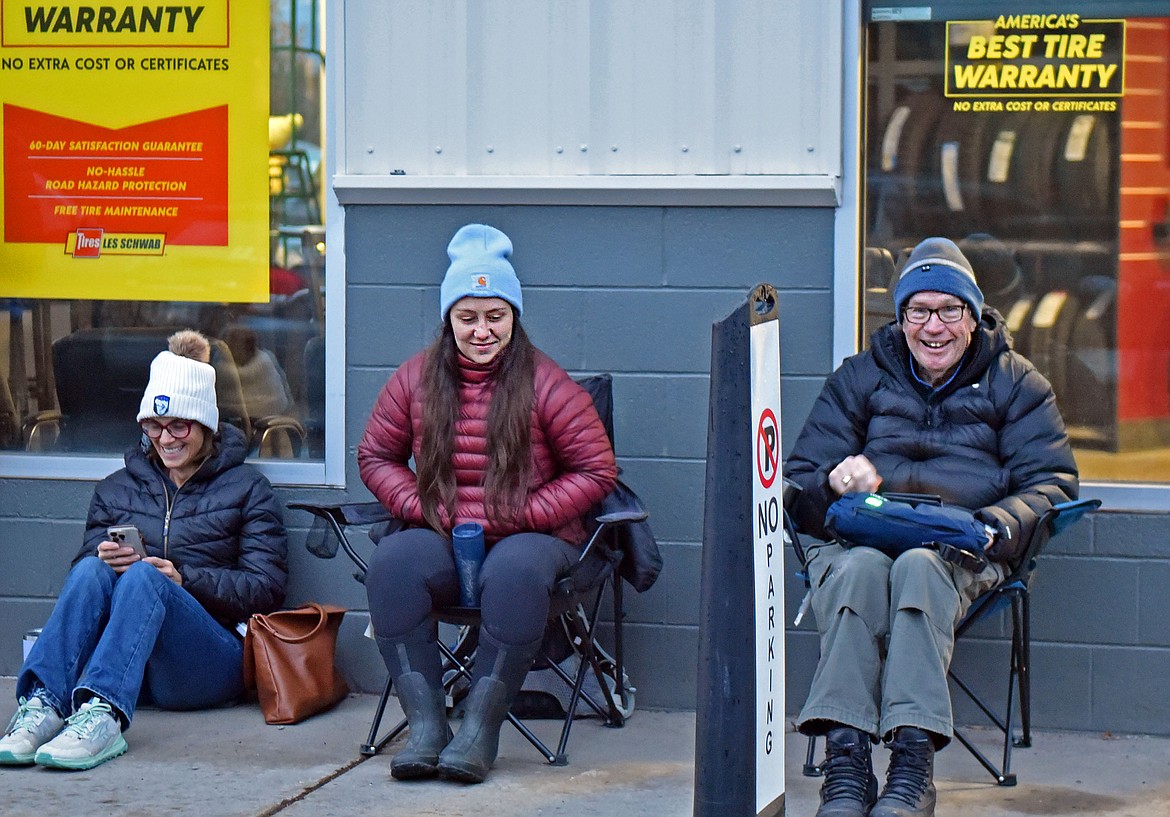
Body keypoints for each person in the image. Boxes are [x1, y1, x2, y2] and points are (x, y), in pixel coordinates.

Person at [784, 237, 1078, 817]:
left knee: (918, 566)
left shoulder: (1017, 383)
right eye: (918, 311)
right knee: (863, 570)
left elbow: (1051, 484)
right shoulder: (859, 378)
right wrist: (835, 482)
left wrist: (994, 525)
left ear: (973, 317)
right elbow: (799, 481)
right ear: (900, 318)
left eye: (949, 310)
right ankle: (847, 770)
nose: (933, 326)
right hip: (859, 540)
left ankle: (911, 770)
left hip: (959, 552)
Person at [358, 223, 617, 784]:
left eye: (494, 316)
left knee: (515, 570)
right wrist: (424, 506)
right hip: (445, 534)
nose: (481, 331)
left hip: (534, 540)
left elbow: (596, 470)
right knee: (394, 564)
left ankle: (479, 728)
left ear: (514, 317)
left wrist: (519, 515)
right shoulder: (414, 379)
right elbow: (376, 456)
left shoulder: (547, 383)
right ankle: (426, 725)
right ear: (448, 318)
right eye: (467, 317)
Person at [0, 330, 288, 771]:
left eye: (178, 425)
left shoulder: (248, 489)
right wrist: (101, 559)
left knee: (146, 578)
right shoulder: (116, 489)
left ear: (206, 425)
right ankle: (43, 705)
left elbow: (267, 589)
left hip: (209, 664)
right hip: (132, 664)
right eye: (153, 426)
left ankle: (103, 715)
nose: (165, 438)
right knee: (93, 570)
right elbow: (83, 580)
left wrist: (182, 579)